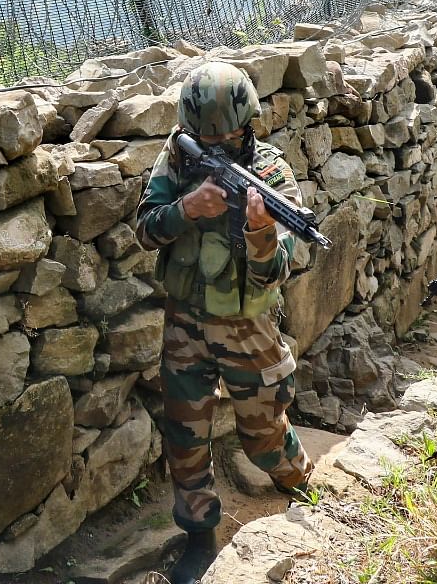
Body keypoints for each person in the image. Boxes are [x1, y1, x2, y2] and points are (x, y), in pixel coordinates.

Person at [134, 62, 313, 584]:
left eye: (225, 135)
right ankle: (200, 538)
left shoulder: (272, 176)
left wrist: (260, 230)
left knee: (263, 437)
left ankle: (303, 489)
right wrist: (186, 209)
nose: (214, 143)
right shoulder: (175, 156)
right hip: (185, 322)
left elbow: (280, 269)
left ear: (247, 125)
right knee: (185, 437)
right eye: (202, 136)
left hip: (248, 329)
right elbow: (144, 231)